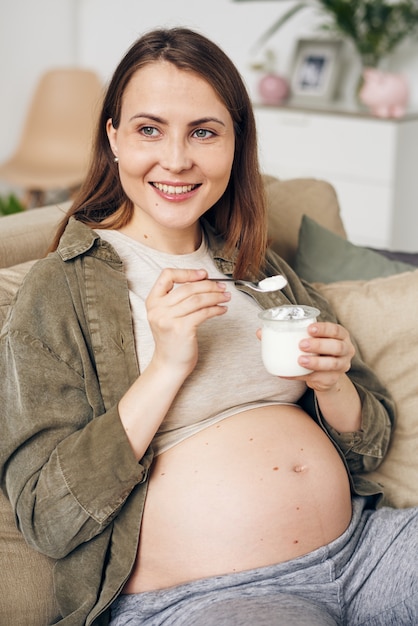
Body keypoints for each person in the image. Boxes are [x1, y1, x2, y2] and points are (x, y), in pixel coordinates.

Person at [0, 27, 417, 626]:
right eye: (149, 129)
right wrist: (167, 367)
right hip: (213, 597)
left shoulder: (256, 265)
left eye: (203, 131)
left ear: (234, 143)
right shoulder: (62, 289)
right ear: (113, 138)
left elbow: (370, 442)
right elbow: (47, 515)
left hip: (363, 553)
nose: (176, 159)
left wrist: (334, 385)